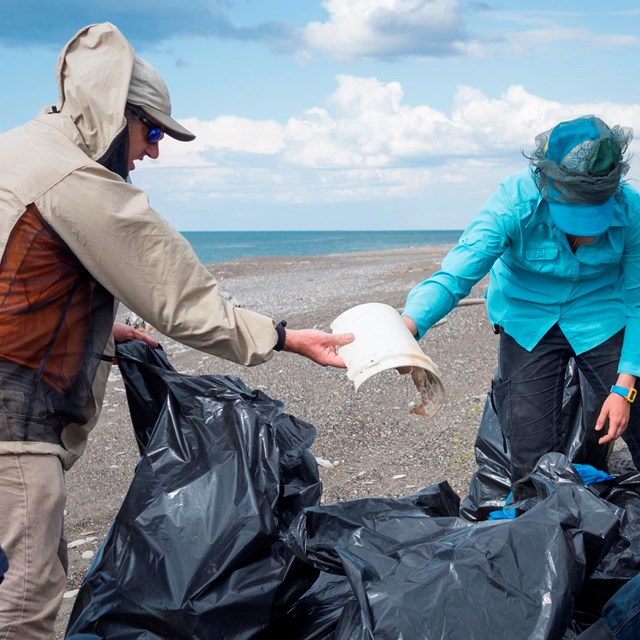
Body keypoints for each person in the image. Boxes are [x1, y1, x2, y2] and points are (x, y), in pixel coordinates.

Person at [0, 22, 352, 638]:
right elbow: (180, 295)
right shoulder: (76, 181)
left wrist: (103, 335)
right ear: (117, 112)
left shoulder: (17, 153)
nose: (154, 152)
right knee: (26, 593)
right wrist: (285, 336)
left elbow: (19, 288)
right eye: (153, 131)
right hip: (12, 429)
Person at [401, 114, 640, 502]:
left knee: (627, 414)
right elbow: (457, 274)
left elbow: (638, 301)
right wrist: (409, 325)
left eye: (594, 212)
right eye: (574, 214)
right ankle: (541, 527)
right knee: (530, 453)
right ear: (546, 184)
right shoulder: (512, 203)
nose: (589, 232)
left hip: (601, 319)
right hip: (528, 321)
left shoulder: (630, 210)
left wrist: (623, 387)